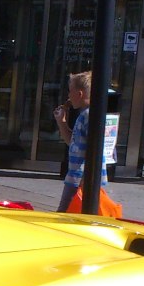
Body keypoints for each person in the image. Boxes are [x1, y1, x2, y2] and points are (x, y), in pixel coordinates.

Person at [52, 71, 108, 212]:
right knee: (66, 214)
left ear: (80, 94)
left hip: (80, 179)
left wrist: (85, 182)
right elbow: (72, 142)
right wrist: (61, 122)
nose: (69, 96)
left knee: (63, 215)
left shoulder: (89, 116)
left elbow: (94, 149)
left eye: (70, 91)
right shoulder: (84, 115)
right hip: (77, 177)